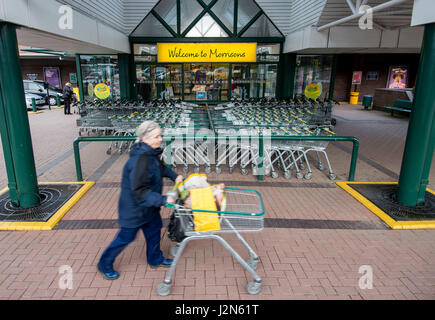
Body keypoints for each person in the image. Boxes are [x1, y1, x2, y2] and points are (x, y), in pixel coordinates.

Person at [97, 121, 183, 280]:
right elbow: (139, 191)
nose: (160, 139)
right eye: (156, 136)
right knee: (126, 238)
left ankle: (155, 258)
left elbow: (161, 168)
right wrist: (164, 199)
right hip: (134, 210)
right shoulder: (139, 161)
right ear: (145, 138)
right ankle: (104, 263)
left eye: (160, 135)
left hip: (149, 207)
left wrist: (174, 175)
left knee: (154, 232)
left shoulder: (151, 153)